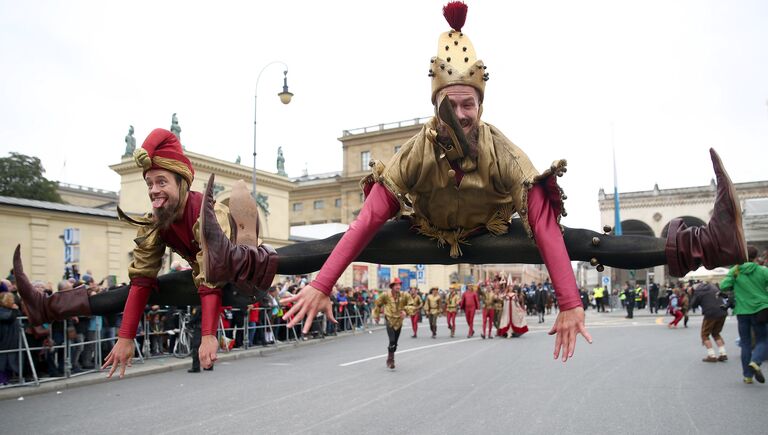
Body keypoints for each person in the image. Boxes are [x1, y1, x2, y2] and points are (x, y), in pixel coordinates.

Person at [15, 2, 748, 365]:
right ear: (436, 106)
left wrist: (564, 295)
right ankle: (106, 291)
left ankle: (707, 239)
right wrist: (329, 281)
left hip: (491, 231)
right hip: (420, 231)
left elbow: (549, 224)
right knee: (312, 250)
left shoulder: (499, 148)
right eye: (454, 105)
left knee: (593, 236)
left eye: (473, 104)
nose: (465, 114)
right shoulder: (412, 159)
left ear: (481, 105)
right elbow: (364, 224)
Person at [11, 128, 275, 378]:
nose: (154, 190)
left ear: (182, 183)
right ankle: (43, 306)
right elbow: (141, 282)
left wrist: (209, 335)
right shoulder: (156, 222)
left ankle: (249, 241)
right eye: (149, 183)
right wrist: (125, 337)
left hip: (242, 277)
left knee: (265, 259)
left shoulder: (204, 213)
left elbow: (211, 279)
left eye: (161, 181)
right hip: (202, 278)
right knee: (137, 290)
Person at [719, 246, 768, 384]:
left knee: (745, 343)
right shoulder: (762, 270)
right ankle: (756, 361)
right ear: (756, 256)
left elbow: (723, 286)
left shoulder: (736, 271)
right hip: (761, 309)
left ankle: (747, 376)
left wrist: (734, 274)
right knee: (763, 339)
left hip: (742, 311)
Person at [373, 277, 418, 369]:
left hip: (399, 321)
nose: (398, 287)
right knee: (392, 340)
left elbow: (412, 305)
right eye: (396, 285)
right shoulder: (385, 295)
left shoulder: (405, 295)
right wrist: (376, 315)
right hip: (389, 319)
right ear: (392, 286)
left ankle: (391, 354)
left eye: (399, 285)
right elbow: (377, 303)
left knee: (395, 343)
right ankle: (390, 360)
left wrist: (406, 311)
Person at [689, 282, 728, 363]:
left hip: (710, 313)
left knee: (705, 334)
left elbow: (693, 305)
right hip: (723, 311)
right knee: (716, 333)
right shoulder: (714, 287)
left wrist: (691, 295)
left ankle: (711, 355)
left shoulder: (699, 291)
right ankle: (723, 353)